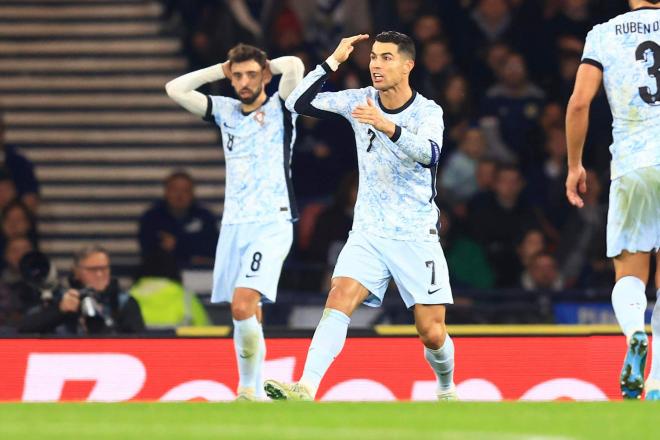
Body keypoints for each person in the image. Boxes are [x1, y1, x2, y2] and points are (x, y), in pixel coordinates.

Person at [264, 32, 457, 401]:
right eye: (372, 58)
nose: (376, 65)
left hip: (415, 233)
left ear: (407, 65)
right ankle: (306, 386)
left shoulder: (428, 112)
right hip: (368, 231)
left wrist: (386, 125)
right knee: (338, 296)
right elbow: (296, 103)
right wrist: (332, 60)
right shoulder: (359, 100)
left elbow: (430, 153)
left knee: (430, 331)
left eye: (386, 58)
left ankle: (446, 389)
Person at [165, 43, 304, 401]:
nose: (243, 81)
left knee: (243, 303)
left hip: (272, 221)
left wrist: (264, 64)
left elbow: (295, 65)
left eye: (251, 75)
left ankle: (244, 389)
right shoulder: (225, 111)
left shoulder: (282, 108)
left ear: (265, 77)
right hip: (233, 225)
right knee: (246, 313)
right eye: (238, 75)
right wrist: (221, 69)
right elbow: (174, 89)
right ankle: (254, 391)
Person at [565, 0, 660, 400]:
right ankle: (656, 385)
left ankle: (636, 332)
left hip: (633, 164)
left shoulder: (603, 33)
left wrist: (574, 165)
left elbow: (580, 103)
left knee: (629, 275)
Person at [18, 245, 145, 335]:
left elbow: (140, 340)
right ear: (76, 271)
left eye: (104, 268)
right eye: (93, 270)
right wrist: (60, 311)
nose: (100, 274)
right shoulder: (62, 298)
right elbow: (24, 327)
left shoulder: (124, 302)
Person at [138, 171, 218, 270]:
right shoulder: (152, 218)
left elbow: (212, 249)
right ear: (166, 192)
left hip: (199, 273)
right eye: (175, 190)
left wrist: (178, 245)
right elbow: (149, 251)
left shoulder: (205, 217)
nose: (179, 195)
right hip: (162, 274)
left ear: (192, 193)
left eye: (185, 190)